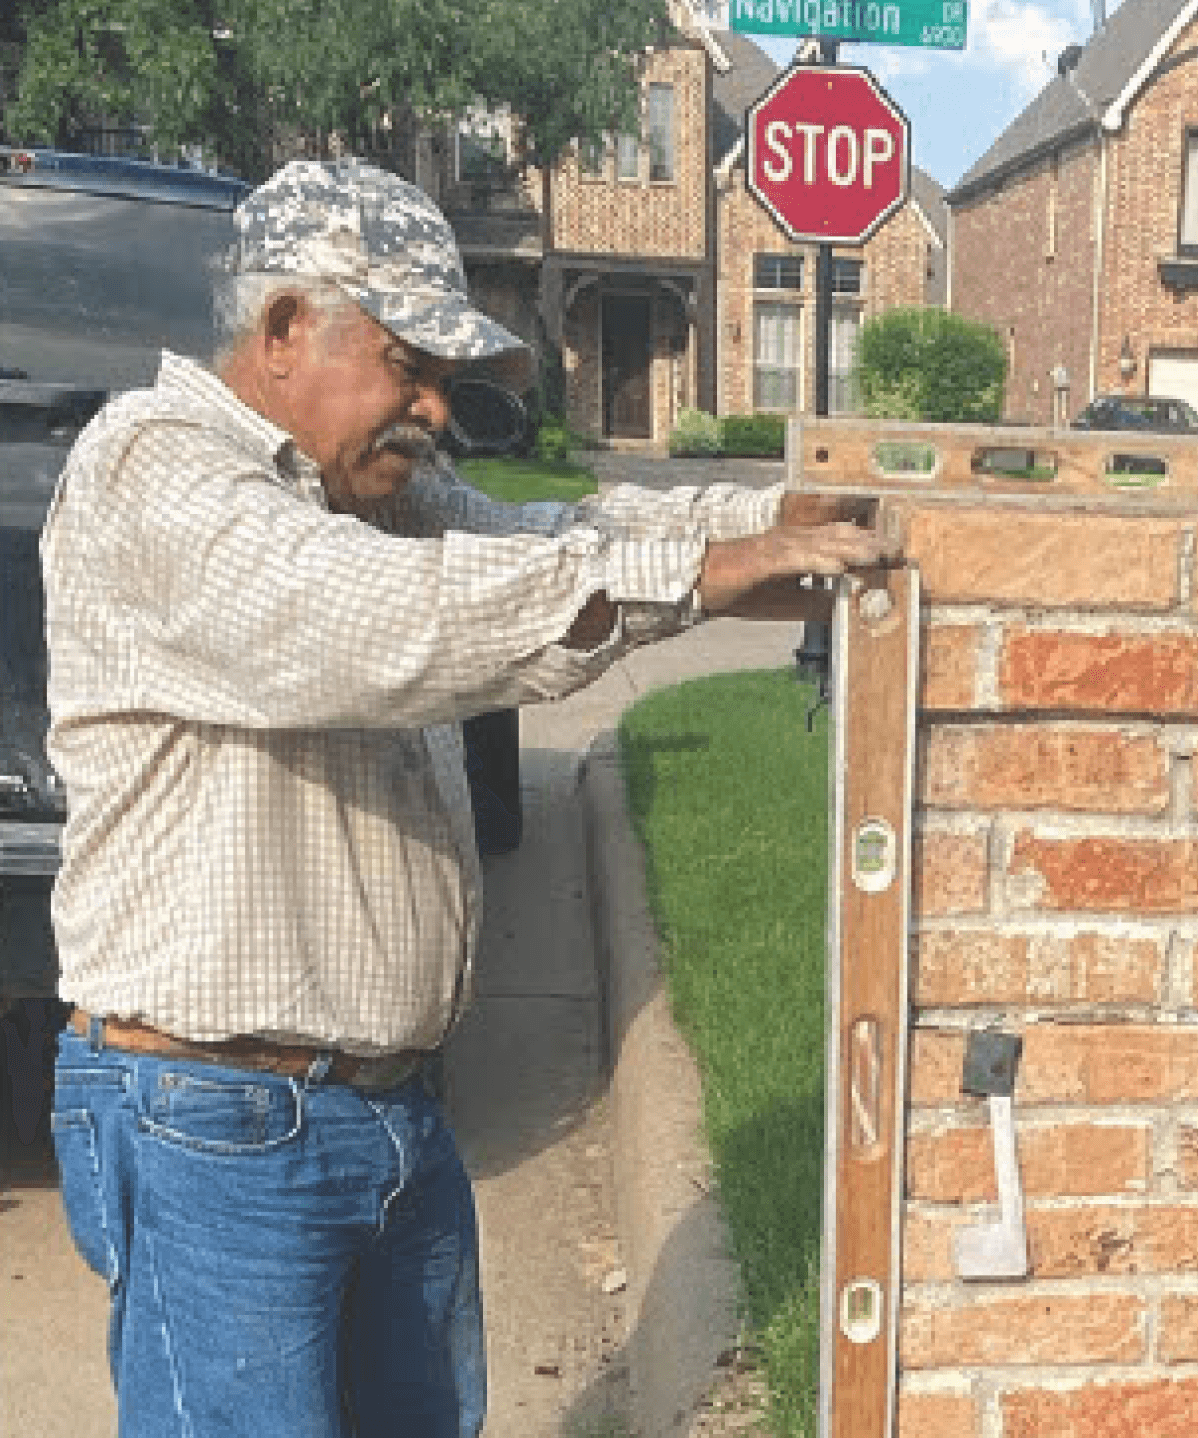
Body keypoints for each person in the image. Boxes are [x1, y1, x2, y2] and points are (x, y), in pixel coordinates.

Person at [41, 157, 890, 1437]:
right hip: (213, 1123)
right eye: (407, 364)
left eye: (445, 378)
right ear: (282, 328)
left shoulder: (367, 489)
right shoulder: (154, 467)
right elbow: (375, 621)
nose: (434, 408)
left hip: (386, 1111)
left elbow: (564, 547)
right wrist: (724, 568)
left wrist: (808, 520)